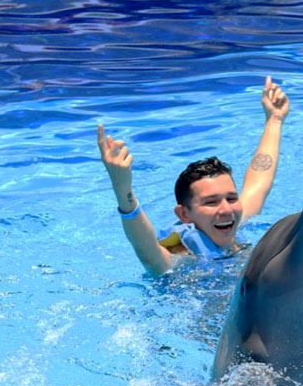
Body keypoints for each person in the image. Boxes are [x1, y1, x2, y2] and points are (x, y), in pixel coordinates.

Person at [97, 76, 289, 275]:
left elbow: (259, 180)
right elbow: (147, 253)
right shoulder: (182, 256)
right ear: (184, 215)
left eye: (231, 198)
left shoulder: (232, 218)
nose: (226, 209)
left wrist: (274, 120)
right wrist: (122, 189)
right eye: (211, 202)